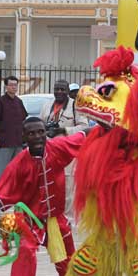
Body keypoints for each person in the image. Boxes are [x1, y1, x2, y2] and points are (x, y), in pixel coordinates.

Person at [0, 117, 87, 276]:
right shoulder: (19, 163)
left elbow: (84, 137)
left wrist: (106, 128)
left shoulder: (57, 148)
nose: (38, 137)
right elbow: (1, 192)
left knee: (69, 264)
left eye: (41, 132)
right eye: (32, 133)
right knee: (25, 254)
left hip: (56, 220)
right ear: (24, 137)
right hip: (30, 221)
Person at [40, 80, 89, 225]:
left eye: (62, 89)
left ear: (67, 91)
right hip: (50, 150)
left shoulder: (76, 106)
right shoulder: (47, 105)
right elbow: (40, 123)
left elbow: (84, 127)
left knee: (68, 184)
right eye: (57, 89)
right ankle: (52, 214)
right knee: (49, 181)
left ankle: (69, 218)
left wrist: (64, 130)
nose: (59, 92)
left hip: (69, 152)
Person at [0, 75, 28, 184]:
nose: (13, 87)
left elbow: (24, 119)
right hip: (5, 142)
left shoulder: (19, 102)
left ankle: (14, 194)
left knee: (17, 170)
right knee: (2, 171)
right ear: (6, 87)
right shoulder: (0, 102)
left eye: (15, 85)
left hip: (18, 142)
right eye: (11, 85)